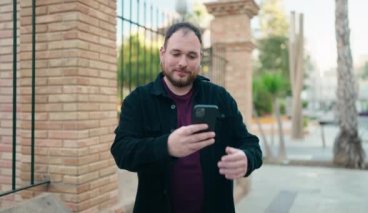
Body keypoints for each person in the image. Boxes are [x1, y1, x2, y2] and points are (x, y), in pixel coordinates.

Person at [111, 22, 262, 213]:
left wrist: (247, 158)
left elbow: (251, 143)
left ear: (200, 59)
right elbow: (122, 151)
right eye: (176, 54)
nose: (183, 62)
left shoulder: (220, 97)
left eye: (191, 56)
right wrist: (166, 146)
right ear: (162, 53)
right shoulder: (138, 100)